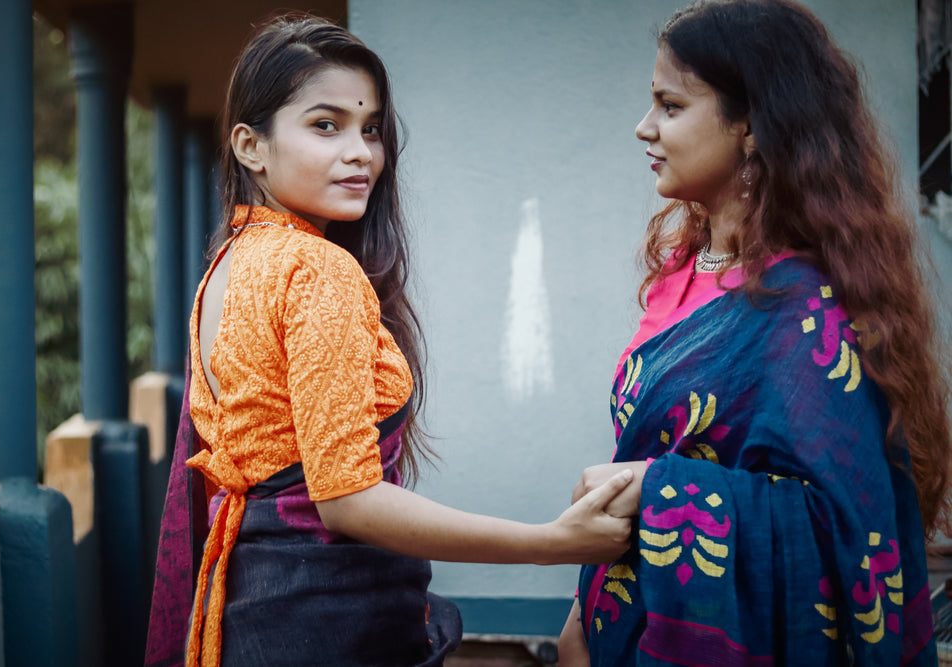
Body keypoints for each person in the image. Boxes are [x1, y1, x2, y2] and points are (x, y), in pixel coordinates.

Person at [143, 14, 636, 667]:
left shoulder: (229, 262)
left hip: (255, 604)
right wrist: (552, 541)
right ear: (249, 146)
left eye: (370, 128)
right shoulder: (315, 268)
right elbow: (347, 498)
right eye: (326, 125)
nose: (361, 152)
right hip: (322, 618)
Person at [557, 1, 951, 664]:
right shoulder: (679, 270)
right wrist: (581, 611)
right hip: (623, 624)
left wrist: (650, 489)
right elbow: (664, 441)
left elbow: (841, 526)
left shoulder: (805, 310)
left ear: (749, 125)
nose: (643, 128)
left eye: (671, 106)